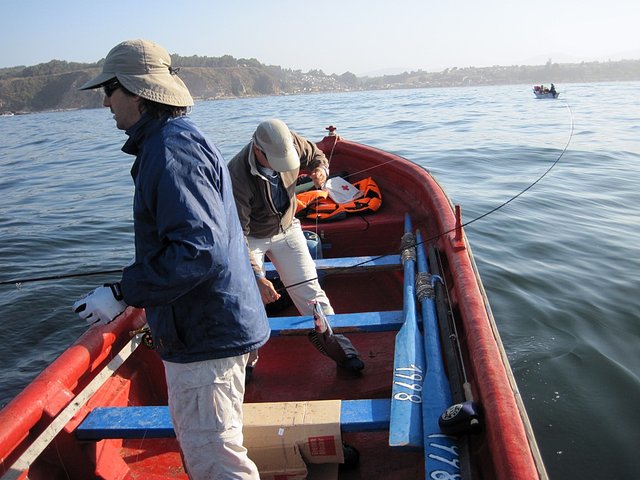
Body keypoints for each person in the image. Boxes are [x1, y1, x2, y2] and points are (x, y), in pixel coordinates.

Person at [72, 39, 269, 480]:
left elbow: (198, 251)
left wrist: (125, 292)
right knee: (213, 451)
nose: (105, 101)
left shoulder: (170, 149)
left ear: (138, 92)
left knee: (216, 460)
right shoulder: (172, 141)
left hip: (205, 337)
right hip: (210, 327)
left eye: (110, 89)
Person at [227, 119, 364, 375]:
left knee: (310, 290)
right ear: (258, 150)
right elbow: (237, 235)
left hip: (287, 227)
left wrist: (321, 169)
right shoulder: (236, 175)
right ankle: (246, 364)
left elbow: (316, 155)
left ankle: (340, 348)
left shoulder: (292, 141)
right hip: (251, 236)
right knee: (244, 298)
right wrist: (257, 276)